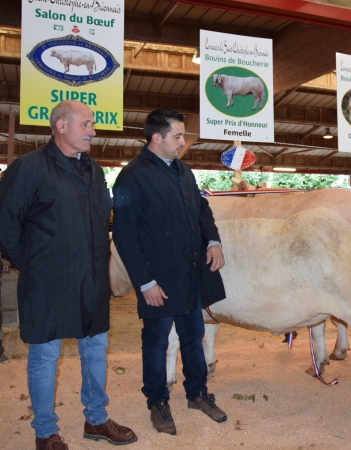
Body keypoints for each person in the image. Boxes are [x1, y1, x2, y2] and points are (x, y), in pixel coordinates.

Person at [0, 101, 137, 450]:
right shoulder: (29, 168)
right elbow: (4, 226)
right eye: (86, 124)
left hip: (91, 282)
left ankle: (97, 420)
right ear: (60, 126)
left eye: (92, 124)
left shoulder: (94, 169)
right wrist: (35, 264)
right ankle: (45, 432)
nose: (93, 130)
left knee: (96, 350)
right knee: (45, 357)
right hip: (47, 283)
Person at [111, 109, 227, 436]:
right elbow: (124, 235)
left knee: (193, 337)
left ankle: (197, 394)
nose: (182, 141)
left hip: (188, 274)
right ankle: (157, 402)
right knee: (156, 343)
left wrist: (213, 240)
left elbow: (201, 208)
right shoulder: (131, 176)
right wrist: (145, 282)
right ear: (156, 138)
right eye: (178, 136)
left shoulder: (183, 170)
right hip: (157, 281)